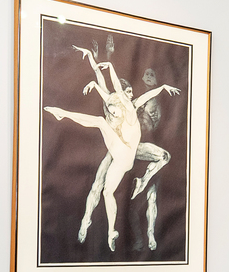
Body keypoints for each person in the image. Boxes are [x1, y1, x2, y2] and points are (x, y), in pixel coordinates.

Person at [45, 45, 178, 251]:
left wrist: (161, 88)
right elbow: (102, 81)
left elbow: (124, 90)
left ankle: (62, 114)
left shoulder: (129, 109)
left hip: (126, 150)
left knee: (101, 123)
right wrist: (91, 58)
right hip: (118, 152)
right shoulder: (112, 102)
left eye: (128, 95)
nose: (128, 97)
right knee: (104, 190)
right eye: (113, 109)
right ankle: (104, 229)